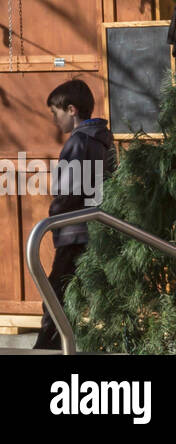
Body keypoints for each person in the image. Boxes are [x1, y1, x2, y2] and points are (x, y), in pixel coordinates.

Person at [35, 80, 117, 350]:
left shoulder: (78, 142)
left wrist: (53, 216)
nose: (54, 120)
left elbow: (68, 193)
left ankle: (46, 348)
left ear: (71, 110)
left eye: (55, 113)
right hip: (95, 228)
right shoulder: (105, 141)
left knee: (56, 294)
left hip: (74, 231)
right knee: (74, 293)